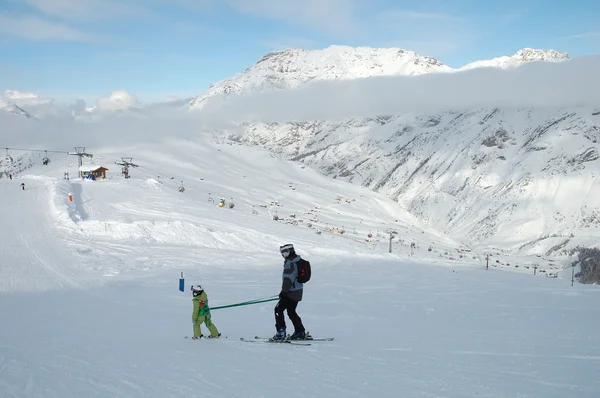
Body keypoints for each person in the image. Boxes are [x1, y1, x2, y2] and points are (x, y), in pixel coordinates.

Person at [273, 243, 307, 340]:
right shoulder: (297, 260)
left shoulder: (290, 263)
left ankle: (281, 332)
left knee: (278, 309)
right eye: (283, 254)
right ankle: (299, 331)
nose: (284, 256)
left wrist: (284, 292)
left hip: (290, 292)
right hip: (297, 291)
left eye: (286, 253)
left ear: (291, 251)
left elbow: (288, 279)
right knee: (291, 311)